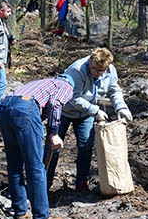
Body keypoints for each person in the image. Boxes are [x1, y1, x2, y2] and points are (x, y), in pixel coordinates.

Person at [45, 48, 132, 194]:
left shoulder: (110, 70)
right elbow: (73, 97)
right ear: (90, 61)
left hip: (85, 114)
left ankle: (81, 183)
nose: (97, 74)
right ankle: (44, 181)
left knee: (86, 146)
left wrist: (121, 107)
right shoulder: (76, 70)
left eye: (100, 72)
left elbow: (114, 90)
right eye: (94, 70)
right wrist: (95, 110)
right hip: (64, 110)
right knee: (53, 146)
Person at [0, 75, 74, 219]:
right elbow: (56, 103)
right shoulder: (66, 86)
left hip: (5, 107)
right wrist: (53, 133)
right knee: (35, 166)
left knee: (14, 164)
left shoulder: (40, 83)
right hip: (26, 109)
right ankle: (41, 215)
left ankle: (20, 211)